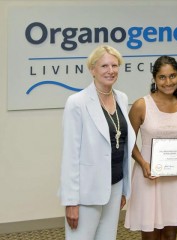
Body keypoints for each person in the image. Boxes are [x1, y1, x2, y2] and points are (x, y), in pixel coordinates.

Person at [60, 45, 135, 240]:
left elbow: (123, 146)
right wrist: (71, 201)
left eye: (114, 65)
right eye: (104, 66)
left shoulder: (122, 98)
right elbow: (70, 155)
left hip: (115, 185)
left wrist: (125, 189)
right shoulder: (77, 102)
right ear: (92, 69)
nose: (110, 71)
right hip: (87, 190)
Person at [124, 55, 177, 240]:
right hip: (149, 175)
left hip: (175, 178)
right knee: (151, 234)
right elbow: (129, 142)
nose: (168, 82)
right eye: (162, 77)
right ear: (155, 79)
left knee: (170, 234)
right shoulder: (142, 105)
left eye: (172, 76)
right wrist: (143, 163)